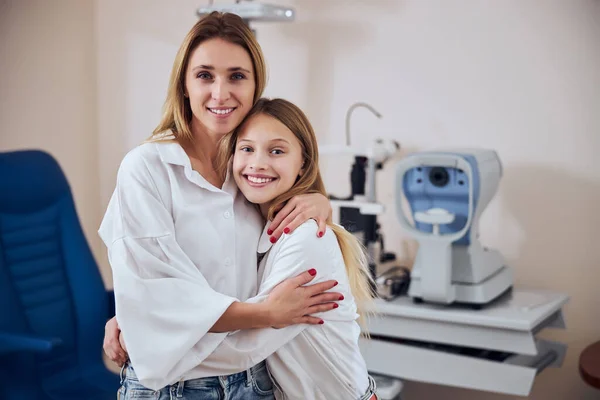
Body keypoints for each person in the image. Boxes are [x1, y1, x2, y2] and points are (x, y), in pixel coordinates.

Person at [99, 11, 342, 399]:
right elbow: (156, 293)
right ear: (184, 84)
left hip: (253, 381)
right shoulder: (148, 168)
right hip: (172, 388)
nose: (220, 92)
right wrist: (265, 314)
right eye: (205, 75)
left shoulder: (250, 171)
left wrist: (318, 199)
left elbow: (264, 263)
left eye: (237, 76)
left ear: (255, 84)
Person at [188, 97, 378, 400]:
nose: (258, 163)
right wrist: (139, 315)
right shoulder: (254, 226)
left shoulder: (307, 238)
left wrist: (152, 343)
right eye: (247, 148)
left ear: (303, 162)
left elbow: (244, 347)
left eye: (276, 151)